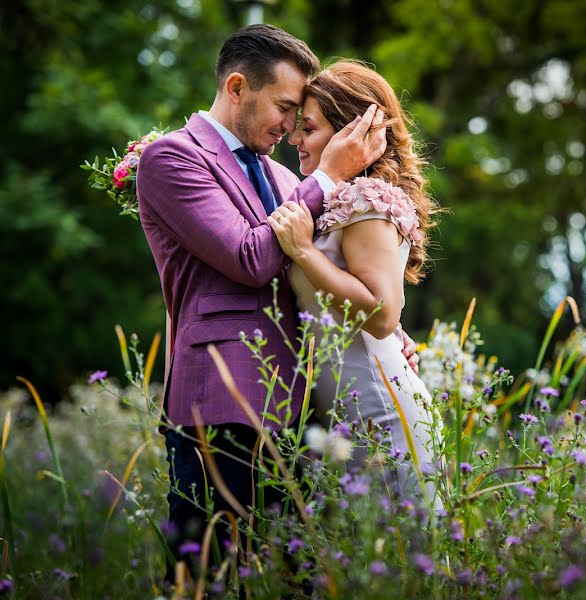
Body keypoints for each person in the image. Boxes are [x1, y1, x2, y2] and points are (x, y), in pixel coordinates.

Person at [135, 25, 417, 577]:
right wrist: (332, 175)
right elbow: (250, 257)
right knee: (212, 576)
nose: (291, 127)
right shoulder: (172, 159)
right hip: (220, 404)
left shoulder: (285, 176)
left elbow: (320, 269)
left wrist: (385, 329)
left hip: (303, 414)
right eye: (285, 107)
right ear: (237, 87)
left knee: (293, 582)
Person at [268, 60, 442, 502]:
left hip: (380, 412)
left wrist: (304, 252)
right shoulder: (335, 203)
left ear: (351, 133)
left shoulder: (367, 198)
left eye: (307, 128)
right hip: (341, 422)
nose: (293, 139)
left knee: (402, 559)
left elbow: (382, 315)